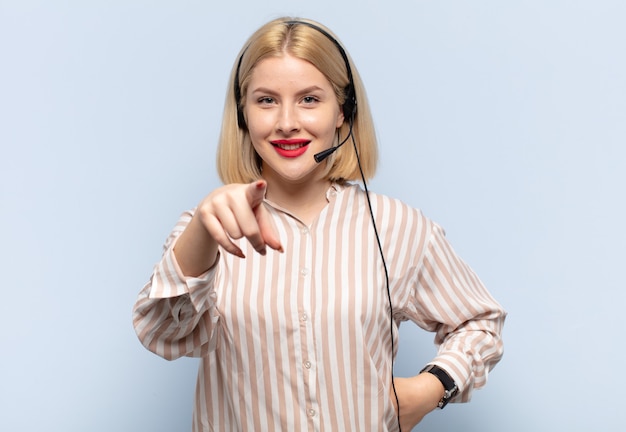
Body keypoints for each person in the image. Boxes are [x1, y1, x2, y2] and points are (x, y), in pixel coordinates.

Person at [132, 17, 506, 432]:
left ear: (343, 114)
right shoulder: (207, 227)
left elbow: (480, 321)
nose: (287, 122)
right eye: (266, 100)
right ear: (243, 117)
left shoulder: (397, 226)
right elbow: (162, 333)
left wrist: (433, 386)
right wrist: (202, 233)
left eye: (309, 99)